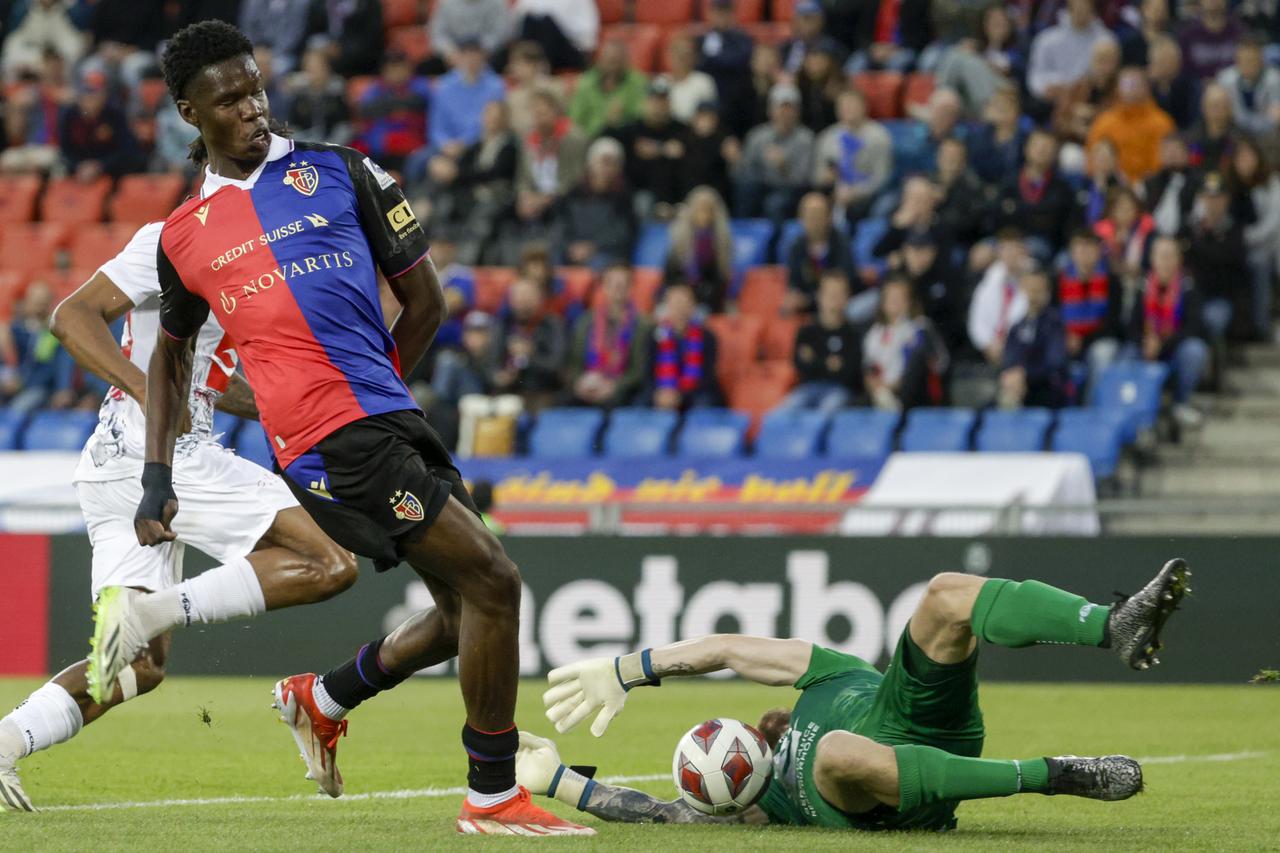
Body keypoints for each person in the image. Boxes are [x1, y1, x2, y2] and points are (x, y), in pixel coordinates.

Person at [119, 21, 588, 836]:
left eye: (257, 87)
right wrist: (156, 477)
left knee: (461, 609)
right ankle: (491, 795)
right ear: (191, 113)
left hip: (389, 417)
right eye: (229, 99)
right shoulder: (183, 237)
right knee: (496, 583)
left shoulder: (341, 171)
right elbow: (169, 358)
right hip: (327, 442)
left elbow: (427, 300)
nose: (253, 108)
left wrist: (372, 389)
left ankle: (324, 695)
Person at [0, 196, 373, 810]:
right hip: (162, 453)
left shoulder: (253, 258)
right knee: (328, 562)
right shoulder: (172, 238)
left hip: (113, 463)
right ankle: (152, 615)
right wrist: (154, 396)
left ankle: (7, 741)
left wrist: (288, 409)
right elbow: (71, 316)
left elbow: (205, 376)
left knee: (137, 667)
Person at [530, 561, 1192, 830]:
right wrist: (560, 783)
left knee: (942, 595)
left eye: (741, 730)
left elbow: (727, 648)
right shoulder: (760, 801)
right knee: (842, 751)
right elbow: (661, 813)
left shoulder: (825, 674)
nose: (750, 732)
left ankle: (1114, 625)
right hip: (882, 791)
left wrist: (629, 667)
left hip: (915, 714)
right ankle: (1057, 774)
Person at [1126, 236, 1209, 427]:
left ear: (1179, 260)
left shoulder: (1189, 287)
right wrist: (1145, 342)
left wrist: (1162, 343)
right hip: (1146, 347)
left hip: (1175, 349)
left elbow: (1194, 328)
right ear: (1152, 259)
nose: (1165, 261)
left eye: (1170, 256)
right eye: (1161, 256)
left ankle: (1180, 404)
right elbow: (1131, 327)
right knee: (1126, 354)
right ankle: (1134, 407)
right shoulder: (1142, 286)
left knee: (1195, 350)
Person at [567, 263, 652, 409]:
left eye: (622, 284)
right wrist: (579, 383)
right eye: (612, 283)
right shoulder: (586, 322)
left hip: (622, 391)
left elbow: (639, 371)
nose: (617, 288)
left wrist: (614, 387)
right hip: (588, 385)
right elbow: (574, 363)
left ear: (631, 288)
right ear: (603, 287)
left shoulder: (643, 325)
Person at [779, 270, 864, 414]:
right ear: (819, 296)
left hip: (840, 391)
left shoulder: (854, 334)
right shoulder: (806, 332)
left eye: (839, 294)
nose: (833, 298)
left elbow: (849, 374)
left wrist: (815, 360)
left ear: (847, 298)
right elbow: (801, 367)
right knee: (782, 415)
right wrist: (829, 364)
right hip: (808, 388)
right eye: (829, 293)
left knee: (826, 410)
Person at [1182, 173, 1249, 345]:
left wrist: (1198, 245)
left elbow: (1227, 260)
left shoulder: (1234, 229)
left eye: (1218, 197)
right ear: (1202, 199)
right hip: (1192, 295)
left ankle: (1215, 363)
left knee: (1212, 319)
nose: (1213, 202)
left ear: (1226, 199)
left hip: (1220, 297)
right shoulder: (1190, 226)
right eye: (1208, 197)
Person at [733, 83, 814, 222]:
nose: (784, 113)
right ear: (770, 110)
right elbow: (745, 172)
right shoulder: (757, 136)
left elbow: (803, 180)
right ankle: (743, 237)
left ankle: (773, 243)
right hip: (761, 186)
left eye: (789, 108)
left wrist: (784, 166)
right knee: (745, 190)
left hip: (790, 189)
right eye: (780, 108)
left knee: (775, 203)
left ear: (797, 111)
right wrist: (736, 161)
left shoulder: (805, 139)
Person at [612, 77, 689, 220]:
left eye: (663, 101)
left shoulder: (682, 130)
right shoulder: (632, 130)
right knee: (642, 203)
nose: (658, 106)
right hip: (641, 195)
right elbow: (605, 141)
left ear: (669, 103)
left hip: (676, 198)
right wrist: (612, 123)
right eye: (654, 100)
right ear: (645, 102)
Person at [863, 273, 942, 412]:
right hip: (882, 392)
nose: (896, 303)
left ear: (909, 301)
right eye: (891, 298)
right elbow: (868, 367)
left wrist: (896, 384)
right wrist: (875, 384)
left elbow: (939, 363)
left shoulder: (920, 326)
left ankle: (895, 411)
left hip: (914, 395)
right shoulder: (874, 333)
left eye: (900, 298)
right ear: (883, 303)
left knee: (918, 354)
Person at [989, 129, 1075, 256]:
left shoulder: (1061, 188)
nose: (1041, 151)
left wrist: (1015, 208)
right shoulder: (1009, 181)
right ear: (1026, 148)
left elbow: (1052, 222)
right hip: (1004, 239)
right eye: (1037, 146)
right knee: (980, 253)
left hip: (1041, 242)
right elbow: (996, 215)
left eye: (1046, 148)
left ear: (1054, 154)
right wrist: (1034, 212)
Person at [1227, 136, 1280, 340]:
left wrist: (1244, 237)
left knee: (1258, 262)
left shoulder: (1271, 184)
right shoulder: (1228, 185)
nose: (1246, 161)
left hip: (1265, 246)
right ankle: (1234, 330)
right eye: (1241, 157)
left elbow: (1273, 224)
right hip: (1231, 245)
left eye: (1250, 156)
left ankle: (1261, 326)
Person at [813, 87, 892, 222]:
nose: (848, 110)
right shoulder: (827, 137)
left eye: (853, 105)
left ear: (864, 107)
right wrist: (825, 178)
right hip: (833, 194)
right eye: (844, 106)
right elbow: (816, 174)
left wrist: (856, 193)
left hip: (867, 196)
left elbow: (882, 178)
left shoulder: (879, 137)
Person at [1085, 66, 1175, 183]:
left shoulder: (1161, 123)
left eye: (1136, 84)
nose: (1131, 88)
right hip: (1111, 185)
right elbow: (1091, 158)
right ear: (1118, 88)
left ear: (1146, 88)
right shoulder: (1104, 122)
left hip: (1148, 186)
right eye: (1127, 84)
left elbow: (1163, 162)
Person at [558, 136, 636, 269]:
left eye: (613, 163)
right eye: (604, 162)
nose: (608, 168)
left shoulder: (624, 195)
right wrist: (571, 247)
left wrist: (592, 247)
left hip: (606, 253)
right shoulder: (574, 194)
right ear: (591, 163)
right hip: (573, 251)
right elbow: (561, 226)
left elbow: (623, 232)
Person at [488, 276, 566, 408]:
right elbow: (489, 362)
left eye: (527, 295)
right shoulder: (504, 324)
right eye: (517, 295)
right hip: (509, 392)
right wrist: (498, 376)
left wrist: (530, 354)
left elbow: (557, 365)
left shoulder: (553, 325)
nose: (522, 300)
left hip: (543, 393)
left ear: (540, 298)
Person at [644, 280, 721, 411]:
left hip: (695, 393)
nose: (680, 309)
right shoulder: (655, 335)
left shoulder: (707, 337)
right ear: (666, 306)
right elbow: (648, 373)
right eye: (675, 304)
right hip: (662, 393)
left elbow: (708, 376)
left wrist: (680, 396)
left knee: (705, 403)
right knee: (640, 402)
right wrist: (658, 394)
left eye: (684, 303)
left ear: (693, 306)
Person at [2, 280, 76, 414]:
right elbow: (6, 360)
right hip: (11, 383)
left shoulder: (55, 333)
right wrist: (7, 377)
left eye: (43, 302)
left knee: (19, 408)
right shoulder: (15, 329)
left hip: (39, 387)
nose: (39, 306)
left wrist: (63, 389)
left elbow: (63, 363)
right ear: (26, 302)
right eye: (35, 301)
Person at [999, 267, 1067, 409]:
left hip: (1045, 389)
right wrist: (1013, 374)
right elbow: (1009, 358)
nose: (1033, 295)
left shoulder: (1054, 323)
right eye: (1030, 289)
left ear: (1047, 292)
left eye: (1038, 290)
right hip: (1019, 387)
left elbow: (1055, 362)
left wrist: (1025, 375)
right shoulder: (1018, 325)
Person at [1059, 228, 1122, 379]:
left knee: (1103, 353)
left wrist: (1083, 339)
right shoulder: (1059, 279)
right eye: (1079, 246)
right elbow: (1054, 315)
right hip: (1067, 340)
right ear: (1072, 251)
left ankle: (1092, 401)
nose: (1084, 252)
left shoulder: (1112, 281)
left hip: (1098, 340)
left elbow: (1113, 322)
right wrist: (1067, 336)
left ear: (1098, 251)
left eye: (1089, 246)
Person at [353, 49, 430, 172]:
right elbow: (365, 110)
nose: (396, 72)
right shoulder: (376, 87)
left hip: (414, 147)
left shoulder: (419, 84)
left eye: (400, 67)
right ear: (385, 70)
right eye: (392, 68)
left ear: (408, 68)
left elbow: (419, 101)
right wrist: (396, 104)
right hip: (381, 149)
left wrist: (388, 105)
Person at [428, 38, 507, 158]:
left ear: (483, 56)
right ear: (458, 57)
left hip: (482, 145)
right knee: (418, 164)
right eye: (466, 55)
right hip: (447, 147)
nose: (471, 60)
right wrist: (445, 144)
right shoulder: (443, 86)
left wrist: (464, 144)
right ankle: (388, 177)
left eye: (475, 55)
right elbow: (436, 127)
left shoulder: (496, 86)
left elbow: (495, 124)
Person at [1026, 0, 1113, 105]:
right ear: (1069, 8)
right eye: (1077, 7)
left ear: (1092, 9)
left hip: (1091, 98)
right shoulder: (1046, 39)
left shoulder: (1105, 40)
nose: (1081, 11)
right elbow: (1036, 75)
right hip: (1051, 101)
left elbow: (1109, 75)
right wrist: (1044, 88)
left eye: (1085, 7)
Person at [59, 71, 142, 179]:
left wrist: (101, 165)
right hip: (80, 166)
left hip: (110, 166)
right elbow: (65, 149)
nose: (90, 100)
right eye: (87, 94)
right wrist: (78, 166)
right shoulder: (69, 115)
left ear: (104, 95)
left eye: (95, 94)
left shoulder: (114, 113)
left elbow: (126, 148)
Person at [664, 186, 733, 314]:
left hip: (706, 301)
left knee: (699, 318)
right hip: (678, 296)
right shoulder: (679, 239)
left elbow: (720, 280)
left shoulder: (721, 242)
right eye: (700, 209)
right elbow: (670, 276)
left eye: (708, 209)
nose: (704, 214)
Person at [786, 191, 857, 315]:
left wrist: (810, 299)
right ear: (800, 218)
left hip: (839, 304)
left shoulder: (841, 243)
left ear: (828, 217)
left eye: (818, 214)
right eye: (808, 215)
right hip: (808, 306)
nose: (814, 220)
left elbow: (846, 279)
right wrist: (796, 297)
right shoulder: (796, 247)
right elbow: (794, 282)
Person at [968, 228, 1029, 367]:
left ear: (1024, 250)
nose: (1010, 255)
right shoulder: (989, 280)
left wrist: (1010, 345)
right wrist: (988, 344)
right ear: (999, 252)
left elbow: (1032, 317)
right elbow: (977, 320)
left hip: (1024, 351)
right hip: (992, 350)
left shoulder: (1034, 278)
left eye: (1014, 249)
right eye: (1006, 249)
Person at [568, 39, 647, 139]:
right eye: (610, 61)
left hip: (625, 138)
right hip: (589, 137)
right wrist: (605, 123)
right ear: (600, 60)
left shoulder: (637, 82)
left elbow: (641, 118)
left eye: (617, 62)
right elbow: (574, 118)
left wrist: (619, 122)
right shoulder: (586, 82)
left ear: (626, 62)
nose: (613, 67)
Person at [696, 0, 754, 132]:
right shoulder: (702, 39)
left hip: (735, 102)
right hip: (707, 100)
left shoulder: (742, 39)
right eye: (718, 12)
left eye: (726, 12)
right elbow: (697, 66)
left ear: (733, 15)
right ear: (710, 14)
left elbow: (737, 62)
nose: (722, 16)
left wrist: (711, 57)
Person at [284, 45, 352, 145]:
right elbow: (293, 124)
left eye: (318, 66)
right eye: (309, 67)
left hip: (333, 141)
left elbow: (343, 122)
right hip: (306, 141)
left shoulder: (337, 91)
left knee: (345, 131)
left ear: (327, 67)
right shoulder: (299, 93)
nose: (313, 71)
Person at [1216, 35, 1280, 137]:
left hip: (1268, 136)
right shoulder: (1225, 79)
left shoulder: (1275, 79)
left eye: (1252, 60)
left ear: (1261, 59)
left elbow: (1275, 117)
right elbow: (1224, 113)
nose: (1248, 65)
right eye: (1244, 60)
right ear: (1237, 60)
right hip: (1233, 134)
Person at [844, 0, 931, 74]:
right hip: (874, 49)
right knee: (856, 64)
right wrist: (872, 48)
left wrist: (894, 49)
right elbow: (862, 32)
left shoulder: (918, 3)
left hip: (903, 49)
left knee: (897, 63)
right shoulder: (872, 3)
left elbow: (921, 35)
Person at [512, 0, 599, 72]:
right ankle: (522, 66)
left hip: (572, 50)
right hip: (539, 45)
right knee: (530, 20)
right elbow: (517, 19)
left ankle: (539, 69)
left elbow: (587, 35)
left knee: (546, 22)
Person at [1177, 0, 1242, 82]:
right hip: (1196, 90)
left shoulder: (1239, 32)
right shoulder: (1187, 35)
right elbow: (1184, 72)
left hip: (1232, 88)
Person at [430, 0, 513, 65]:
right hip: (454, 54)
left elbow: (501, 32)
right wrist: (450, 52)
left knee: (505, 57)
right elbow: (438, 34)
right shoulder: (445, 2)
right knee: (429, 65)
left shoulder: (497, 3)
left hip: (488, 54)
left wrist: (482, 51)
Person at [1146, 35, 1196, 130]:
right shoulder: (1146, 88)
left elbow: (1192, 121)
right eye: (1161, 61)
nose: (1166, 66)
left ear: (1178, 62)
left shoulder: (1190, 86)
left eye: (1169, 60)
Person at [1186, 82, 1238, 173]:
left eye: (1224, 106)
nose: (1219, 111)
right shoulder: (1190, 138)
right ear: (1203, 108)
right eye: (1214, 106)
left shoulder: (1240, 139)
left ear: (1230, 109)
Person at [665, 33, 716, 124]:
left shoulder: (704, 82)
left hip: (693, 132)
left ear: (695, 57)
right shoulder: (661, 81)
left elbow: (708, 116)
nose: (681, 58)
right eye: (677, 52)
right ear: (669, 55)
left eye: (686, 54)